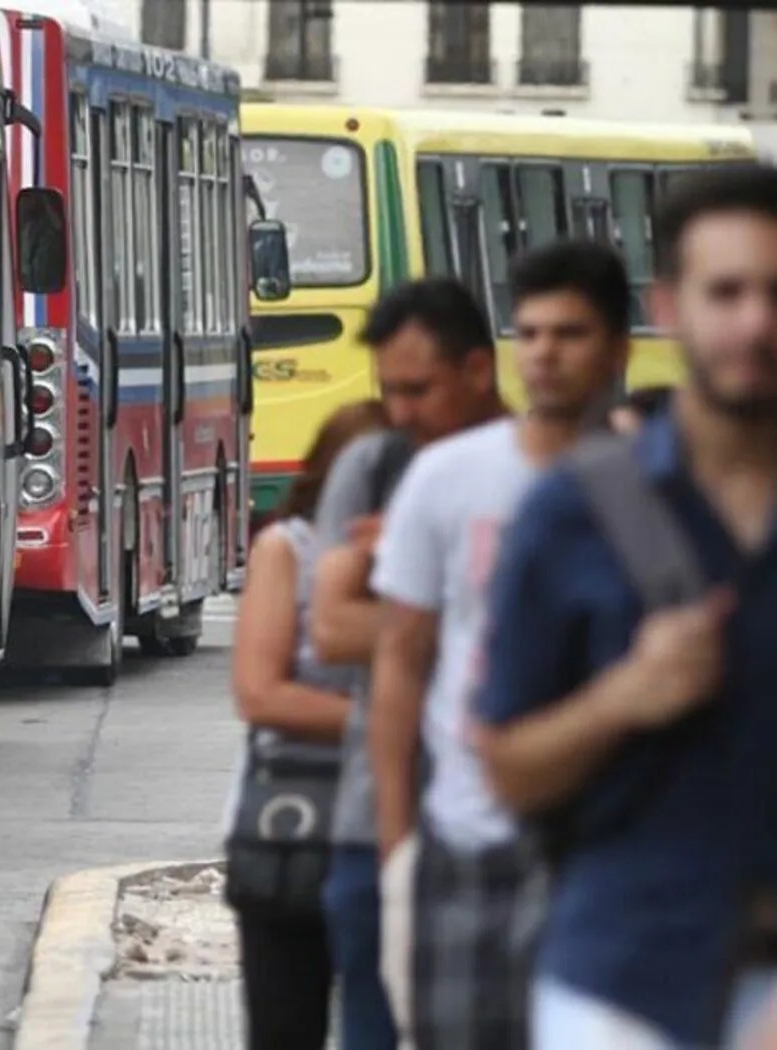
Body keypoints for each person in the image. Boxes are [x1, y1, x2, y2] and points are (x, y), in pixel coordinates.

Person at [475, 164, 777, 1048]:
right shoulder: (573, 513)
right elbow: (507, 766)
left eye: (776, 291)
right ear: (672, 305)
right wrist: (623, 698)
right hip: (620, 986)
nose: (754, 323)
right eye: (726, 292)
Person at [370, 241, 631, 1050]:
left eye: (571, 334)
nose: (547, 354)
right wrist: (397, 849)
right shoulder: (446, 478)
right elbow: (402, 659)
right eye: (532, 333)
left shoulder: (652, 484)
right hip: (466, 841)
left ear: (618, 347)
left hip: (607, 848)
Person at [308, 278, 505, 1050]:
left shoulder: (539, 470)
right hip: (373, 825)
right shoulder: (375, 466)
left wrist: (410, 588)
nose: (402, 413)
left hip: (506, 834)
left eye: (420, 390)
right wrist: (468, 608)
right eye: (389, 390)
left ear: (479, 372)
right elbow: (331, 629)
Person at [228, 399, 389, 1050]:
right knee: (286, 1027)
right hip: (297, 831)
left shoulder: (436, 556)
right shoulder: (288, 549)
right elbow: (262, 695)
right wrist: (396, 726)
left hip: (404, 838)